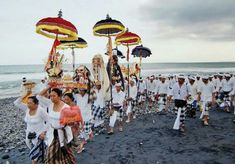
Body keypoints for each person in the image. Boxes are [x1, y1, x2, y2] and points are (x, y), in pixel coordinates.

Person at [38, 87, 76, 164]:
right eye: (50, 96)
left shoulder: (66, 107)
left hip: (62, 133)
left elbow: (72, 122)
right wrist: (49, 86)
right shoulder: (50, 104)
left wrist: (69, 122)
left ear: (59, 96)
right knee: (50, 155)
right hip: (51, 132)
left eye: (54, 96)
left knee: (64, 154)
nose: (51, 98)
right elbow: (39, 96)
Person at [14, 95, 48, 164]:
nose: (28, 105)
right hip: (29, 135)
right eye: (27, 103)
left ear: (36, 104)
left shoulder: (40, 110)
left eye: (30, 103)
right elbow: (16, 103)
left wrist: (44, 132)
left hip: (39, 136)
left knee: (35, 157)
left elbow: (49, 121)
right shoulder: (27, 109)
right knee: (36, 155)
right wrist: (26, 94)